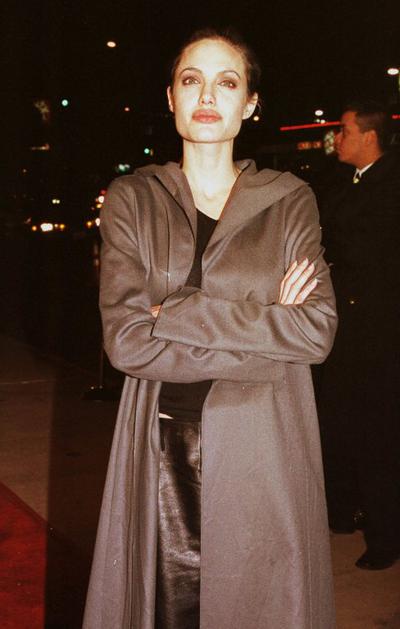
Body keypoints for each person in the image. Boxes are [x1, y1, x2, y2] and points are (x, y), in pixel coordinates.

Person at [83, 28, 337, 629]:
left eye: (227, 82)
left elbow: (315, 331)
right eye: (191, 80)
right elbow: (126, 342)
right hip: (161, 444)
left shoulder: (288, 200)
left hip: (264, 441)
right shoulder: (133, 197)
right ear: (171, 97)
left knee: (261, 608)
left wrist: (177, 313)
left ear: (250, 103)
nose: (206, 95)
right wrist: (268, 336)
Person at [317, 101, 400, 570]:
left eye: (344, 130)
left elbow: (364, 250)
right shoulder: (350, 180)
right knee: (340, 419)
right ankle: (344, 508)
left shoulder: (389, 185)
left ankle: (387, 535)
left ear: (370, 137)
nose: (337, 138)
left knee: (377, 432)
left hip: (378, 331)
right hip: (348, 326)